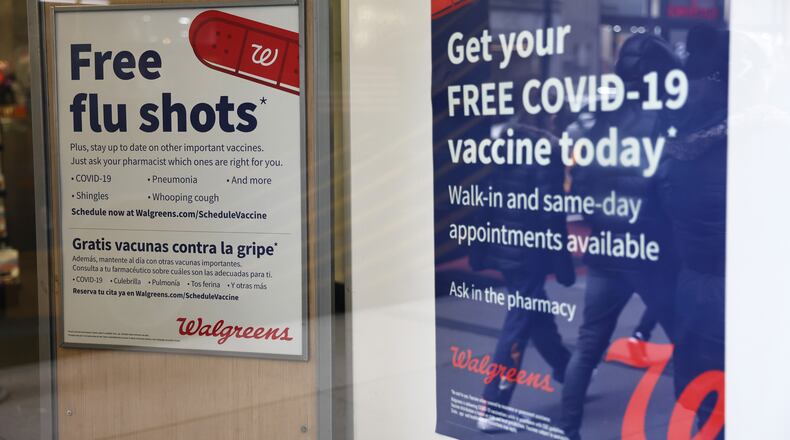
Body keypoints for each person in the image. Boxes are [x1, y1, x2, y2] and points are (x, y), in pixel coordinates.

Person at [559, 34, 681, 440]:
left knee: (588, 345)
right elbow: (669, 188)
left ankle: (568, 429)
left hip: (607, 247)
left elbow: (582, 185)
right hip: (650, 250)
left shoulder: (603, 120)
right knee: (686, 341)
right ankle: (699, 424)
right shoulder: (667, 120)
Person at [471, 109, 576, 432]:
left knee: (534, 312)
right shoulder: (548, 151)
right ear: (550, 119)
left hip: (507, 245)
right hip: (530, 252)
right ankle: (492, 404)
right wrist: (563, 265)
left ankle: (568, 370)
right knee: (518, 322)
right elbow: (551, 213)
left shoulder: (506, 142)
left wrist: (479, 248)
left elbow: (487, 197)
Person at [658, 24, 728, 440]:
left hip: (691, 286)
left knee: (707, 403)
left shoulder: (675, 150)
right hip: (730, 292)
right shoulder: (744, 151)